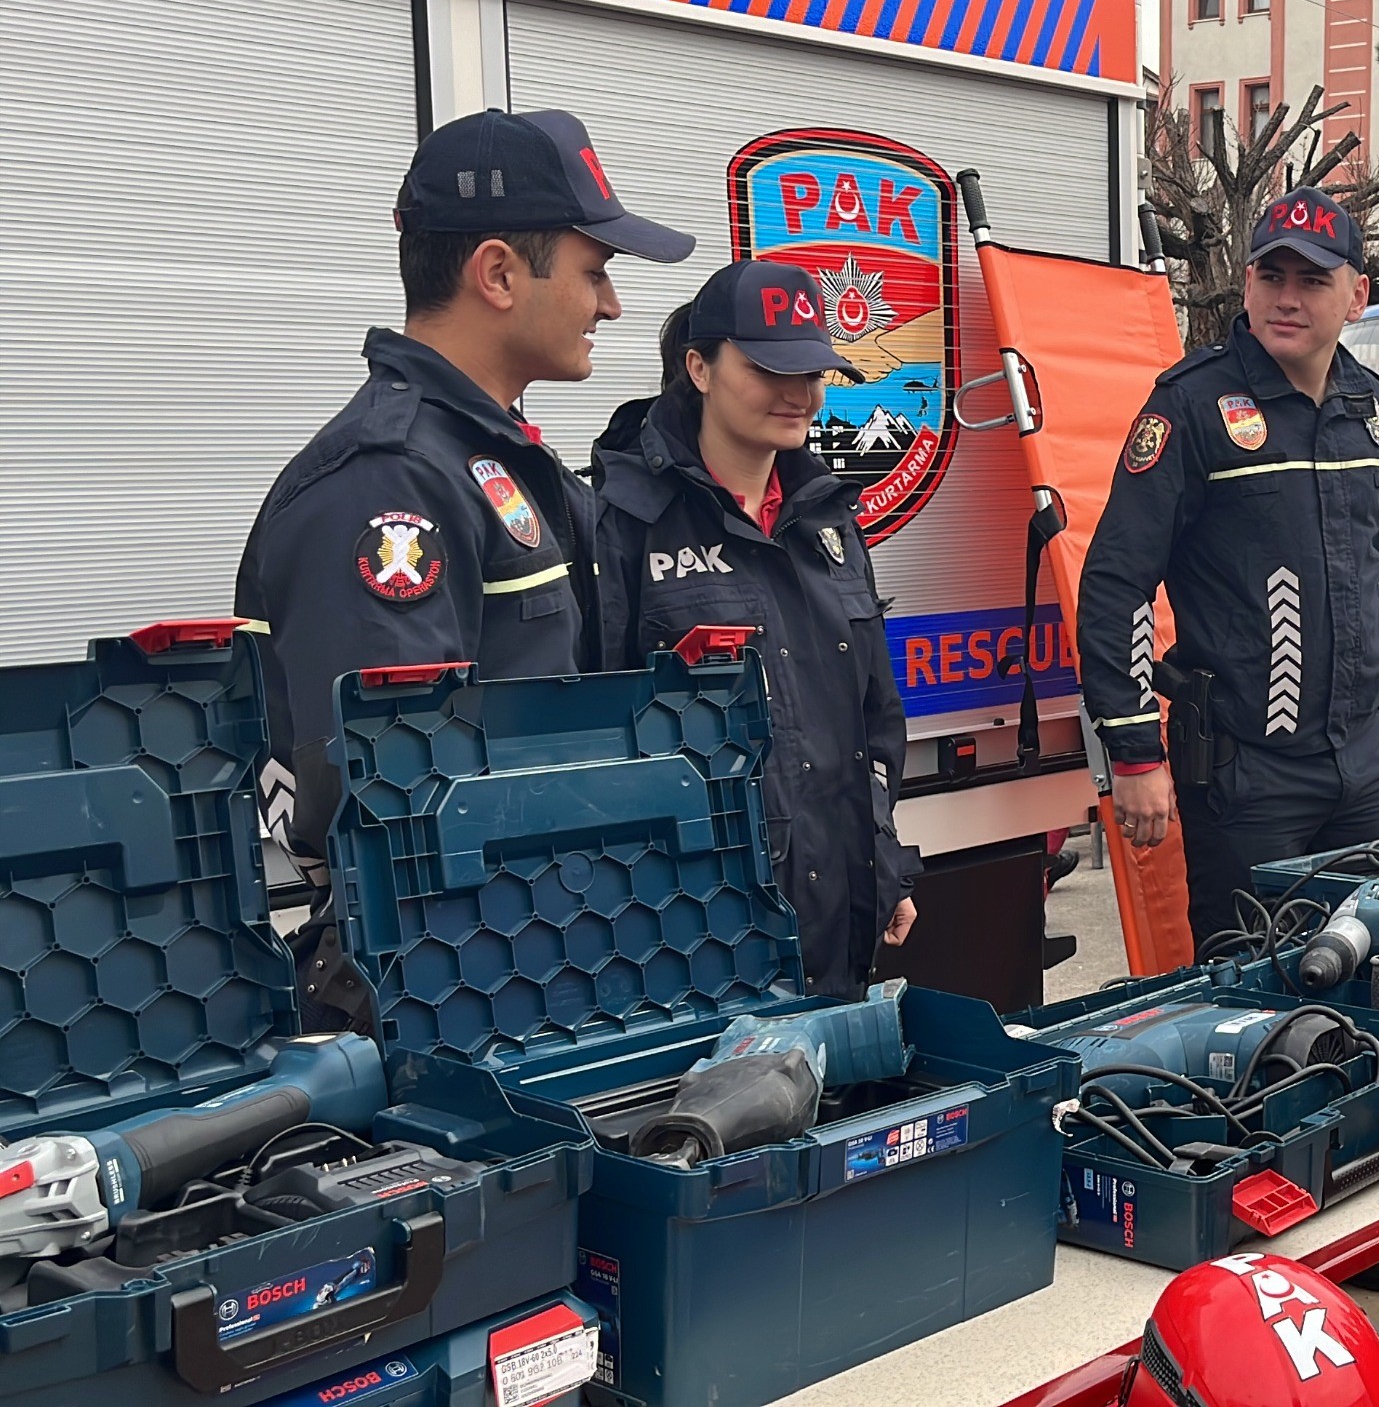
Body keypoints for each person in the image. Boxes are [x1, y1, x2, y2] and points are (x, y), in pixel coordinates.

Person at [235, 107, 694, 1029]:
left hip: (531, 955)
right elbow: (387, 806)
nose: (610, 304)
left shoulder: (497, 461)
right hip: (439, 990)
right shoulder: (388, 479)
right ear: (496, 273)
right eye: (595, 272)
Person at [1079, 187, 1379, 951]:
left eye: (1312, 281)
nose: (1287, 299)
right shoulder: (1190, 407)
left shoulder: (1372, 411)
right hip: (1246, 773)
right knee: (1253, 999)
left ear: (1357, 296)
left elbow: (1375, 575)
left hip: (1359, 763)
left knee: (1377, 979)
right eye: (1271, 276)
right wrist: (1133, 748)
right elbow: (1117, 582)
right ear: (1249, 281)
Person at [586, 260, 920, 998]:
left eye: (812, 370)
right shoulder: (622, 523)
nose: (799, 393)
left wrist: (884, 861)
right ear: (699, 368)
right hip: (692, 933)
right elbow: (595, 744)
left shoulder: (830, 516)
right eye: (771, 368)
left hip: (836, 919)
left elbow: (872, 722)